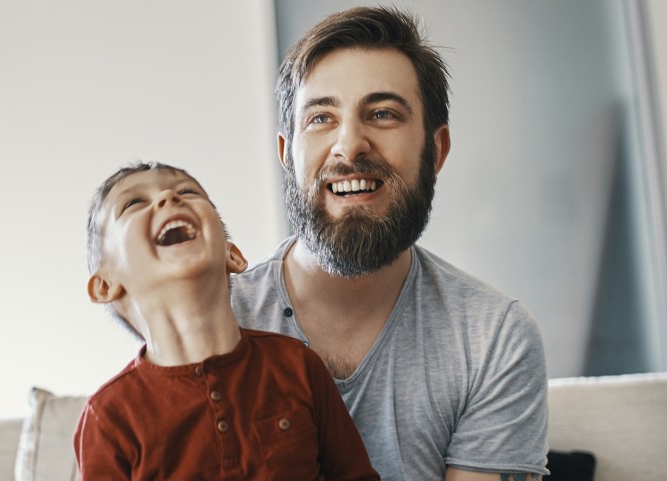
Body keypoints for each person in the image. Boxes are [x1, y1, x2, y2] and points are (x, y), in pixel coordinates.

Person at [231, 6, 549, 481]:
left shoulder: (493, 338)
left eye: (382, 114)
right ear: (286, 154)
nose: (349, 145)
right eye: (321, 117)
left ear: (434, 151)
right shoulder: (218, 319)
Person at [74, 162, 380, 481]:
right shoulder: (108, 417)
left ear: (232, 255)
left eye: (187, 192)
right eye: (134, 203)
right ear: (106, 285)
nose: (167, 197)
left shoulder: (298, 366)